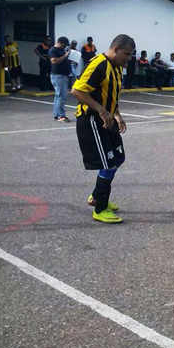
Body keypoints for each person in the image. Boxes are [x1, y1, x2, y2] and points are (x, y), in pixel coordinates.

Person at [71, 34, 135, 224]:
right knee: (108, 163)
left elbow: (110, 95)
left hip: (107, 119)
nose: (128, 59)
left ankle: (96, 196)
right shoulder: (99, 64)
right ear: (115, 49)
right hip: (91, 120)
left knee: (119, 157)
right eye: (127, 54)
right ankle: (100, 209)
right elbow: (77, 90)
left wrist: (116, 114)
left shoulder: (116, 68)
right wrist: (101, 110)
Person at [48, 36, 72, 123]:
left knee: (58, 96)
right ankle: (61, 115)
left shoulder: (61, 50)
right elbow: (54, 61)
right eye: (64, 45)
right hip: (58, 76)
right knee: (62, 96)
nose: (64, 47)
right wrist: (65, 56)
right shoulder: (53, 50)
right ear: (59, 42)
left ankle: (56, 114)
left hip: (63, 75)